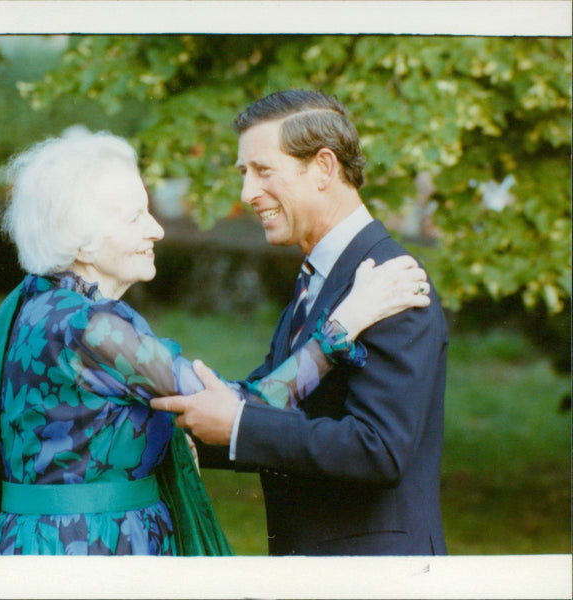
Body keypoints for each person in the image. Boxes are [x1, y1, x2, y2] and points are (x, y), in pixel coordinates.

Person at [0, 128, 432, 556]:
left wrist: (173, 434)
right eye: (133, 218)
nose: (157, 229)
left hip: (37, 545)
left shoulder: (36, 303)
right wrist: (341, 327)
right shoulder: (94, 328)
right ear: (80, 243)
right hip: (93, 553)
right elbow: (241, 405)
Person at [152, 90, 449, 556]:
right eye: (244, 174)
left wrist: (240, 426)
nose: (247, 193)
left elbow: (379, 449)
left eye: (263, 171)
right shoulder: (321, 274)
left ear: (325, 168)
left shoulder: (392, 282)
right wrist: (188, 427)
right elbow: (281, 396)